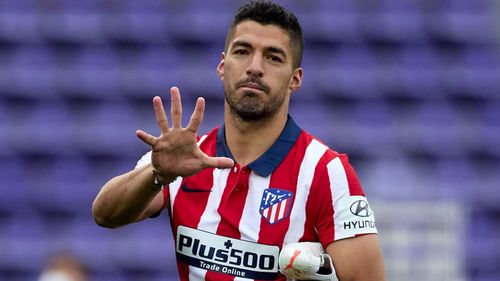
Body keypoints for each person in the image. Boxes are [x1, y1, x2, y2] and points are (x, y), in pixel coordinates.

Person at [92, 1, 385, 280]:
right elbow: (105, 214)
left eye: (273, 57)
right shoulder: (184, 158)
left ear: (294, 79)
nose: (255, 67)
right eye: (242, 51)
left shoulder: (326, 172)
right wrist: (158, 174)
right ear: (222, 65)